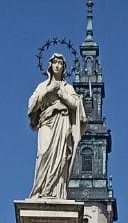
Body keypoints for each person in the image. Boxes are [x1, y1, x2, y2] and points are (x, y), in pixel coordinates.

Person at [27, 52, 82, 199]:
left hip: (62, 121)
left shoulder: (67, 87)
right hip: (46, 121)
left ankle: (54, 190)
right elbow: (32, 104)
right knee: (44, 153)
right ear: (50, 65)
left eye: (60, 63)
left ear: (64, 67)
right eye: (55, 62)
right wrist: (48, 91)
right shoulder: (43, 86)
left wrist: (62, 94)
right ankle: (40, 189)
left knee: (60, 157)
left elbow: (76, 104)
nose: (57, 65)